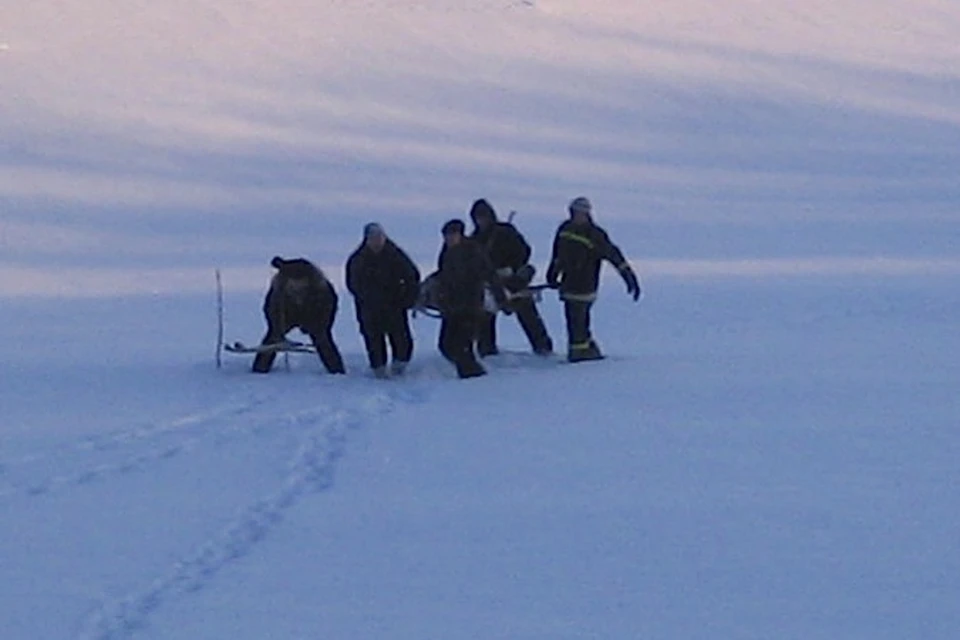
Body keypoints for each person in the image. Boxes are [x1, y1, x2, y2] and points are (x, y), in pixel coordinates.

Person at [546, 197, 641, 362]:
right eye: (574, 212)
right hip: (568, 284)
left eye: (581, 213)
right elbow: (557, 254)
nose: (577, 216)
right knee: (576, 322)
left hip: (585, 286)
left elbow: (614, 256)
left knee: (577, 322)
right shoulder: (564, 229)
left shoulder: (595, 234)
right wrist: (552, 274)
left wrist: (629, 277)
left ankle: (580, 355)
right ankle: (586, 350)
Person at [468, 199, 553, 356]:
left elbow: (524, 250)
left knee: (527, 313)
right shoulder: (474, 239)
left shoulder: (505, 231)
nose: (481, 221)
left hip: (512, 279)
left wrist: (513, 267)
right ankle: (487, 351)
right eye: (478, 218)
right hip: (488, 283)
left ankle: (543, 348)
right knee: (486, 317)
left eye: (483, 217)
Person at [346, 223, 421, 378]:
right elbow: (353, 284)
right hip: (369, 308)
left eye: (379, 237)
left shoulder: (395, 255)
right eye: (373, 238)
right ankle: (378, 370)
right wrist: (368, 298)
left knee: (402, 340)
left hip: (394, 305)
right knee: (373, 340)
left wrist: (407, 298)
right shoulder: (357, 259)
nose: (377, 241)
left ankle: (399, 366)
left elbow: (412, 276)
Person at [435, 218, 508, 379]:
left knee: (462, 347)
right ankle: (470, 372)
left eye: (452, 235)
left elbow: (489, 274)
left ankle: (472, 378)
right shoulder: (446, 253)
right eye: (446, 236)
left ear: (460, 235)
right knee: (445, 346)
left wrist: (501, 298)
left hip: (470, 307)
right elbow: (443, 276)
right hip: (450, 307)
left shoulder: (472, 251)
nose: (449, 239)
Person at [252, 256, 346, 374]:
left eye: (300, 282)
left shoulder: (322, 291)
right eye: (292, 282)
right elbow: (271, 309)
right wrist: (277, 328)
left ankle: (336, 370)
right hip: (288, 315)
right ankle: (260, 369)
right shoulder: (278, 290)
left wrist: (319, 327)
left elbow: (329, 311)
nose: (296, 286)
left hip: (313, 315)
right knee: (272, 337)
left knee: (322, 339)